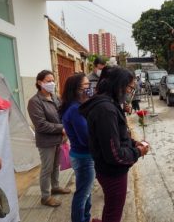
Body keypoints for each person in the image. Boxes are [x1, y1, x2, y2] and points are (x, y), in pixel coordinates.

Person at [79, 67, 149, 222]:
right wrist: (138, 151)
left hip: (108, 169)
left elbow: (117, 135)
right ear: (119, 85)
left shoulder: (110, 103)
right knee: (114, 212)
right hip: (112, 172)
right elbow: (114, 154)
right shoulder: (106, 109)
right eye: (130, 87)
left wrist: (133, 142)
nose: (131, 91)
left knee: (111, 207)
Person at [27, 70, 71, 207]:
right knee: (47, 168)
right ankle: (45, 196)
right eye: (48, 81)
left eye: (53, 80)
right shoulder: (34, 102)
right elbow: (40, 125)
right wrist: (61, 128)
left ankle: (55, 186)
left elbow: (62, 113)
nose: (52, 83)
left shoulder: (55, 97)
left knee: (55, 166)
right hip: (46, 141)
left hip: (59, 138)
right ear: (40, 83)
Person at [59, 73, 98, 222]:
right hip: (84, 158)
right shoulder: (75, 109)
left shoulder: (77, 106)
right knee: (82, 194)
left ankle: (86, 218)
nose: (90, 88)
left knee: (86, 192)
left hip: (82, 156)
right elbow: (85, 138)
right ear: (77, 89)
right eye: (86, 86)